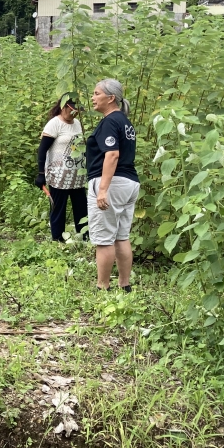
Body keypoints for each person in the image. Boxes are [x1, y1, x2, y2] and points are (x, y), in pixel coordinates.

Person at [86, 79, 140, 292]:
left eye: (97, 93)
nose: (93, 97)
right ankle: (124, 285)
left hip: (112, 183)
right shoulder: (125, 122)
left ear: (110, 98)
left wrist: (102, 190)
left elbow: (112, 154)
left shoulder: (110, 121)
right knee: (121, 236)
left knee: (104, 239)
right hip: (129, 183)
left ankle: (102, 287)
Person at [35, 96, 87, 242]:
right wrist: (41, 174)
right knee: (58, 208)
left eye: (77, 112)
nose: (75, 114)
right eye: (72, 111)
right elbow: (42, 149)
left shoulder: (77, 123)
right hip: (59, 175)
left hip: (77, 174)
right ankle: (58, 240)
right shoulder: (54, 124)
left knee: (81, 209)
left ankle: (85, 238)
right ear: (64, 107)